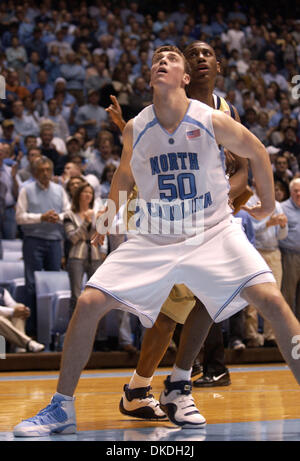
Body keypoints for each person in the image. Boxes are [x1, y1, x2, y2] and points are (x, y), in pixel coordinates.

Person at [13, 46, 300, 437]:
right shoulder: (135, 127)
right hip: (154, 237)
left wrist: (267, 204)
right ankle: (62, 407)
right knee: (89, 302)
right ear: (151, 78)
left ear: (185, 79)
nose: (162, 62)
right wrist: (104, 217)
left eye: (171, 59)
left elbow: (256, 152)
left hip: (212, 232)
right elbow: (124, 178)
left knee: (272, 301)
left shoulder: (211, 118)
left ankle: (174, 385)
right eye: (156, 61)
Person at [107, 41, 248, 401]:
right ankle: (172, 378)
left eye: (207, 54)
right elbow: (138, 154)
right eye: (194, 54)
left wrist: (221, 204)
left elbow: (244, 172)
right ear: (184, 72)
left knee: (190, 304)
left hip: (199, 218)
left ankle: (178, 376)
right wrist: (110, 214)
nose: (201, 59)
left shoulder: (223, 110)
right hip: (160, 212)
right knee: (168, 309)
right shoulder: (157, 108)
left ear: (218, 65)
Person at [15, 156, 70, 336]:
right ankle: (32, 331)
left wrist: (58, 218)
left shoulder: (59, 190)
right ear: (35, 172)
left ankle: (52, 330)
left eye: (48, 170)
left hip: (54, 241)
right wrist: (41, 217)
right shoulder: (26, 189)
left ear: (52, 171)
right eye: (41, 170)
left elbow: (68, 212)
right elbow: (19, 217)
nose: (45, 173)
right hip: (33, 241)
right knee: (32, 286)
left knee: (54, 284)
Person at [63, 182, 107, 316]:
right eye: (85, 192)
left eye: (90, 193)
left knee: (96, 295)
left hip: (95, 256)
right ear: (78, 195)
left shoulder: (96, 213)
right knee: (76, 295)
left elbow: (102, 234)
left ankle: (98, 335)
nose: (88, 195)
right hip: (76, 256)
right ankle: (74, 332)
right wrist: (86, 222)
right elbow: (73, 238)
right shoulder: (69, 215)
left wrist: (101, 220)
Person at [0, 287, 45, 353]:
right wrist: (13, 312)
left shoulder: (2, 291)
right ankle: (27, 343)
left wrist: (25, 311)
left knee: (19, 307)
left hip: (4, 329)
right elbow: (12, 311)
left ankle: (19, 347)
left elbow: (14, 306)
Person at [279, 178, 300, 320]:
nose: (299, 194)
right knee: (289, 294)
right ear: (290, 192)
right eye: (296, 191)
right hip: (290, 255)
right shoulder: (282, 208)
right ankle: (288, 330)